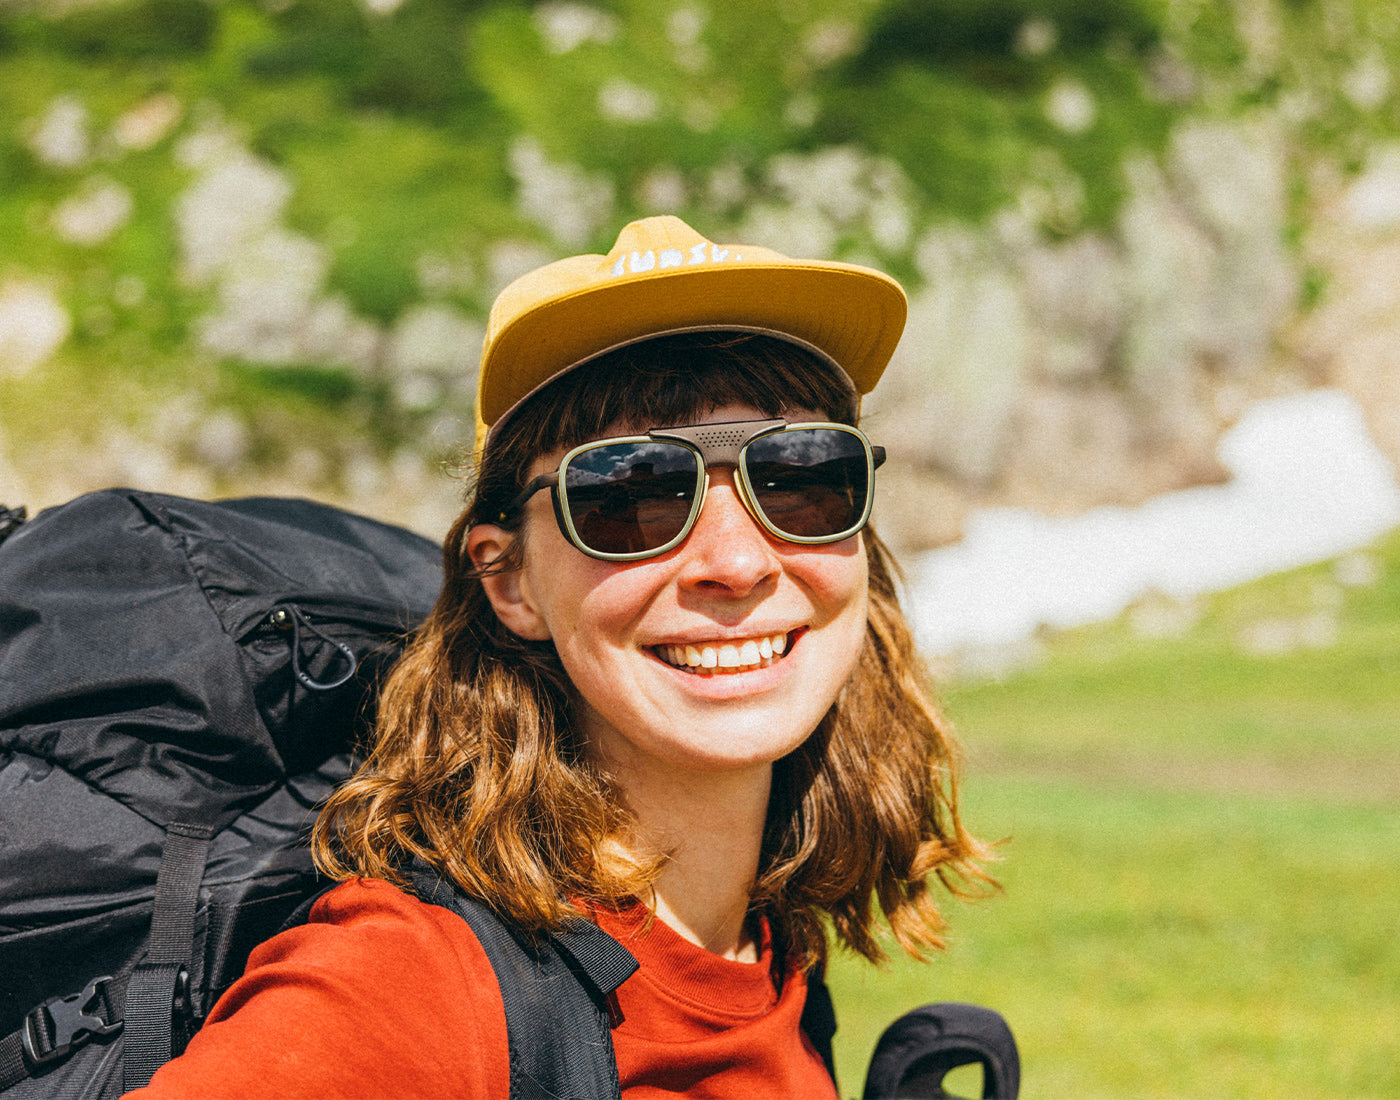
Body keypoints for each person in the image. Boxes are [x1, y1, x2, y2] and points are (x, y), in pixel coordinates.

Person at [129, 215, 991, 1098]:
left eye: (803, 478)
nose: (737, 562)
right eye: (632, 495)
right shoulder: (415, 981)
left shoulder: (765, 947)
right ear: (510, 581)